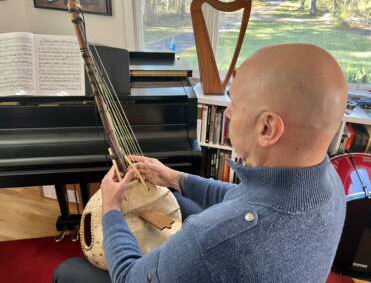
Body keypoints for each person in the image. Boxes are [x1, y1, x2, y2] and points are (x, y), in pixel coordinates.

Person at [53, 43, 348, 283]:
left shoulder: (213, 240)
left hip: (231, 256)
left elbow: (130, 277)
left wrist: (111, 210)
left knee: (68, 272)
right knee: (180, 202)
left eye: (236, 102)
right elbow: (243, 198)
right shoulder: (330, 184)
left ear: (267, 128)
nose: (229, 113)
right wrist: (173, 178)